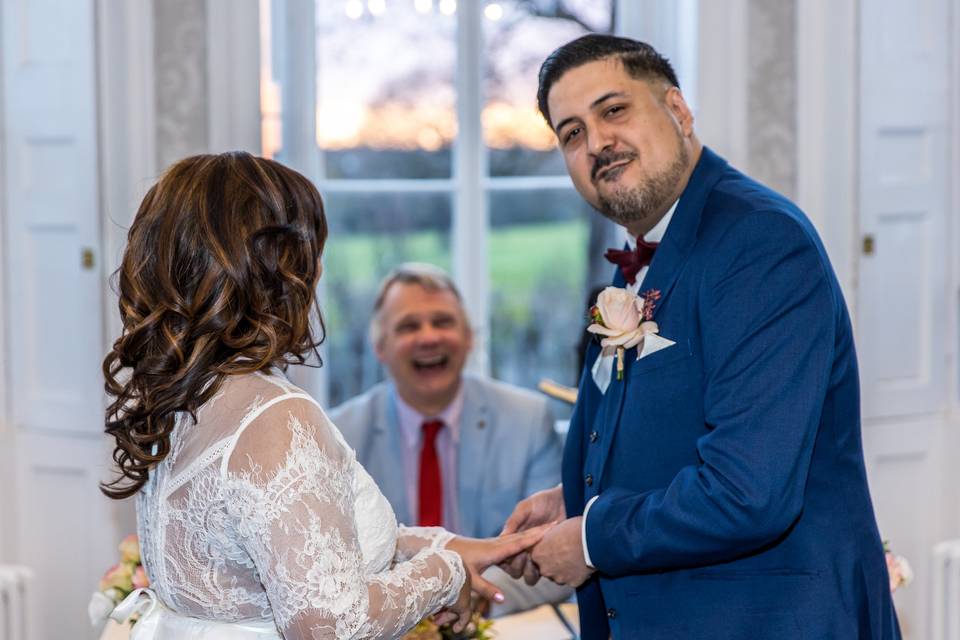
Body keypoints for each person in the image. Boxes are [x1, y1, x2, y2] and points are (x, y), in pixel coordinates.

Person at [500, 35, 901, 639]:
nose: (597, 143)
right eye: (572, 133)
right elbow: (678, 428)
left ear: (678, 113)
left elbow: (748, 492)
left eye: (614, 110)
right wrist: (577, 502)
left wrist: (590, 537)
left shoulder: (761, 243)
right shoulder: (638, 260)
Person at [100, 152, 545, 639]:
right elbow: (329, 625)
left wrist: (445, 547)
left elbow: (291, 552)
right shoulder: (273, 417)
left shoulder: (182, 397)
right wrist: (447, 574)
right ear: (279, 270)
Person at [330, 263, 570, 614]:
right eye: (408, 326)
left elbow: (552, 550)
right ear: (380, 346)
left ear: (469, 337)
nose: (429, 337)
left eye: (443, 322)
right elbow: (335, 564)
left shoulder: (529, 419)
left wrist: (469, 597)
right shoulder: (340, 434)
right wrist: (416, 606)